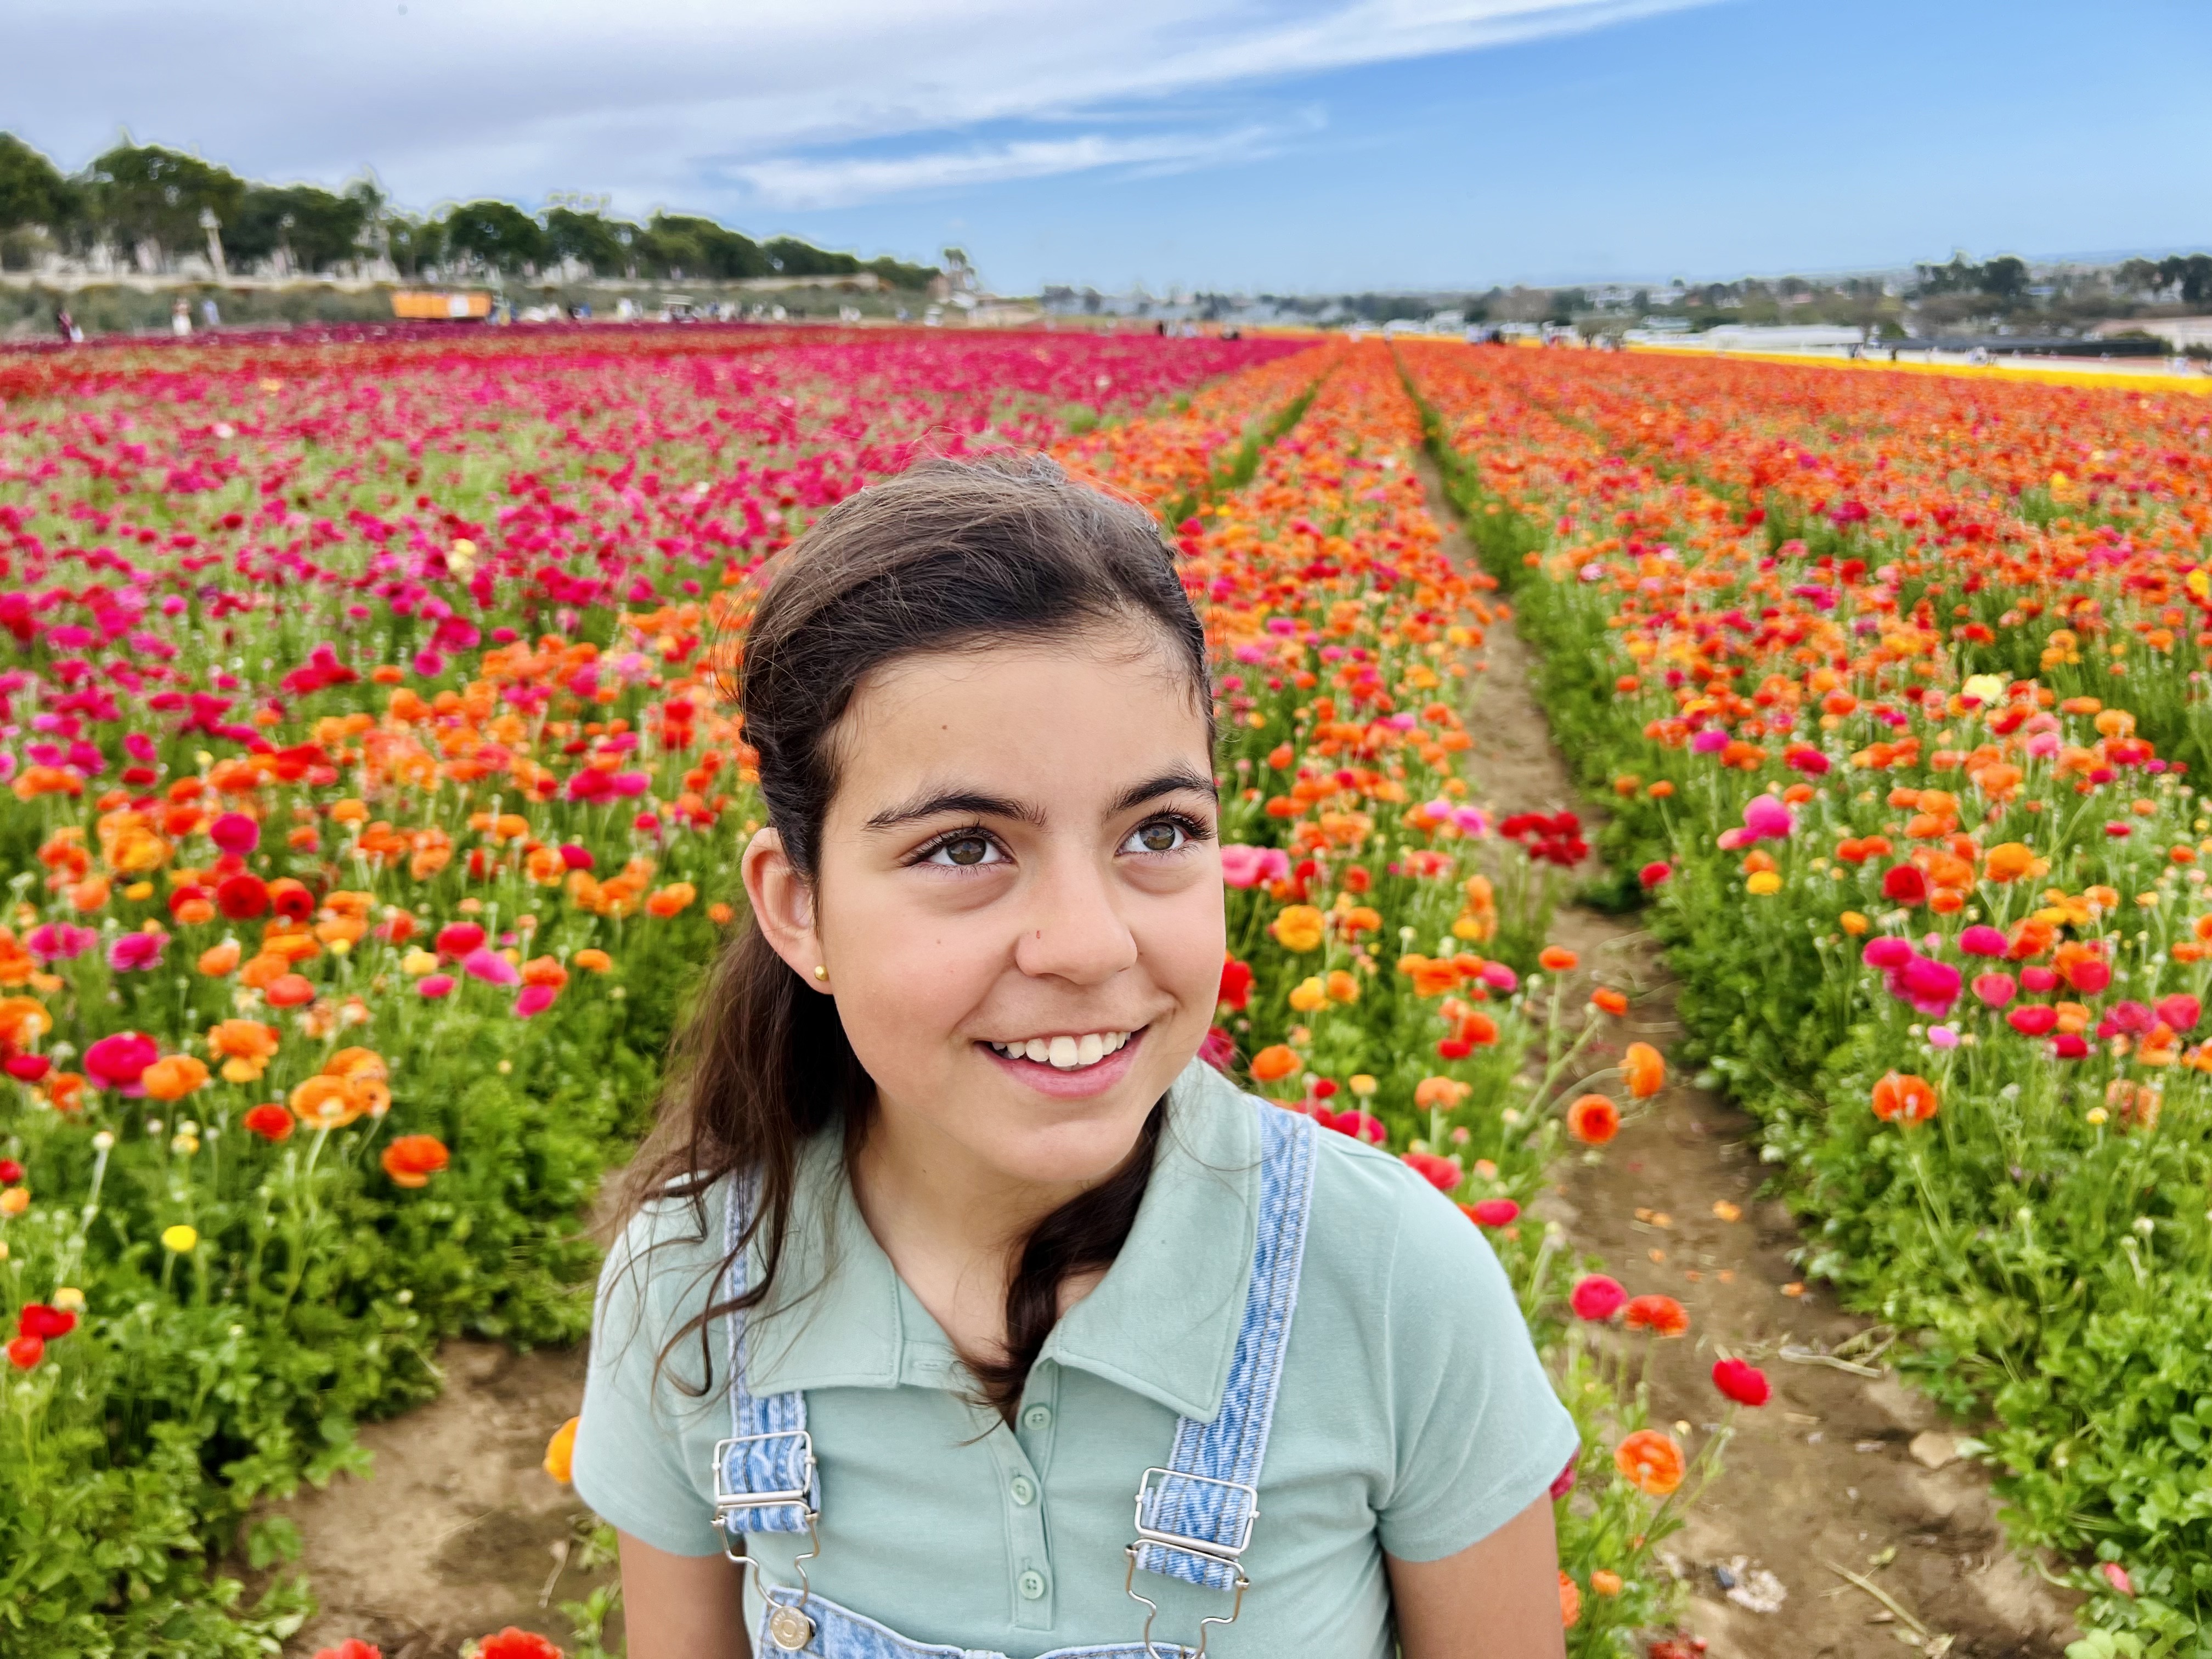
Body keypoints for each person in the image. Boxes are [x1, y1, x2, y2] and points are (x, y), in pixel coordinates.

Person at [572, 456, 1579, 1659]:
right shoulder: (694, 1286)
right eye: (964, 848)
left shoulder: (1390, 1283)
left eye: (1160, 831)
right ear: (799, 908)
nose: (1090, 944)